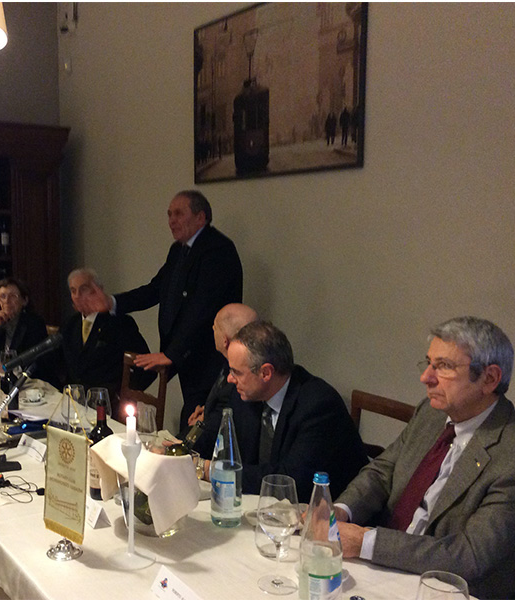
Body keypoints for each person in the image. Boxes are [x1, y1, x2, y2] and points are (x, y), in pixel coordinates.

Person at [334, 317, 515, 599]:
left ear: (489, 379)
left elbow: (469, 556)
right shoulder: (432, 412)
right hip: (386, 568)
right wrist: (340, 510)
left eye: (444, 366)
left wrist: (366, 542)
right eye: (429, 363)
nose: (426, 377)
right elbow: (384, 471)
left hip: (448, 589)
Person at [90, 190, 243, 428]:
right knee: (190, 420)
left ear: (201, 217)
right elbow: (155, 290)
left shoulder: (217, 250)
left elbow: (202, 310)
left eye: (179, 214)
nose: (171, 221)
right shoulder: (179, 250)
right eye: (169, 214)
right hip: (187, 357)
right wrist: (113, 303)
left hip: (208, 357)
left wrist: (172, 353)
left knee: (199, 424)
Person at [200, 320, 368, 502]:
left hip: (326, 511)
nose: (230, 379)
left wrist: (210, 470)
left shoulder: (319, 406)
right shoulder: (247, 392)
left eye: (236, 372)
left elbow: (289, 481)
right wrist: (184, 452)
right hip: (264, 505)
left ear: (266, 373)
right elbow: (215, 432)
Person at [61, 268, 155, 417]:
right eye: (73, 291)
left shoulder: (119, 323)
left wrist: (122, 395)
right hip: (74, 408)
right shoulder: (70, 324)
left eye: (83, 289)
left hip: (109, 408)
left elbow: (148, 369)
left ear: (98, 290)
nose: (78, 296)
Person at [185, 303, 258, 458]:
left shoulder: (241, 383)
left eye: (216, 327)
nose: (212, 329)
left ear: (225, 340)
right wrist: (207, 410)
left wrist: (179, 448)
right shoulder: (226, 365)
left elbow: (213, 432)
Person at [0, 277, 48, 380]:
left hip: (27, 380)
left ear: (24, 301)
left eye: (13, 296)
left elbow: (35, 360)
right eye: (3, 296)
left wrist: (5, 367)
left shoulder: (34, 322)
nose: (7, 301)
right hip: (1, 378)